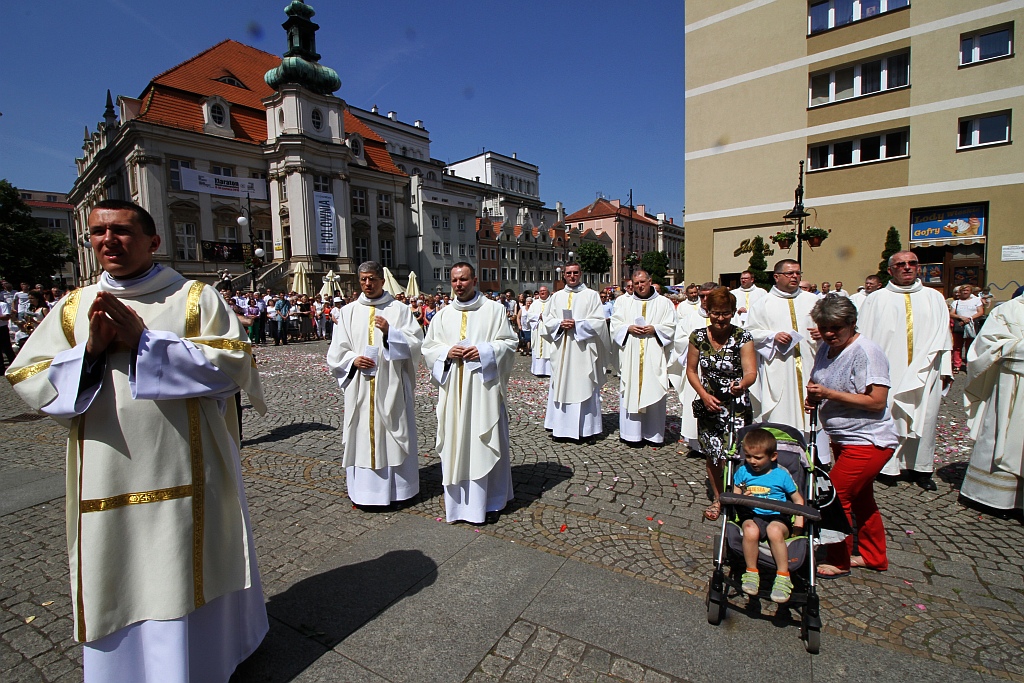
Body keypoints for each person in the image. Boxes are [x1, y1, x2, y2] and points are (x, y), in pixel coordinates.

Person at [4, 200, 267, 682]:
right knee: (116, 563)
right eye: (98, 233)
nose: (109, 241)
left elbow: (233, 369)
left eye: (122, 231)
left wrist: (147, 342)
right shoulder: (72, 308)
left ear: (152, 241)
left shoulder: (193, 297)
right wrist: (92, 351)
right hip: (106, 466)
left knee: (187, 557)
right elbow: (27, 375)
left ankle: (204, 663)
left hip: (187, 464)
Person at [806, 295, 897, 577]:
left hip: (868, 440)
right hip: (844, 438)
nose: (829, 334)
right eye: (824, 328)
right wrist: (814, 396)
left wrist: (829, 395)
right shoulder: (826, 347)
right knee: (861, 500)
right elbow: (819, 380)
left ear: (852, 323)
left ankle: (839, 559)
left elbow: (877, 401)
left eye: (836, 328)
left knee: (835, 496)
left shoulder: (866, 352)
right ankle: (873, 556)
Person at [422, 263, 517, 523]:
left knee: (483, 440)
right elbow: (428, 348)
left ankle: (491, 500)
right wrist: (445, 353)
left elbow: (510, 343)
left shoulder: (494, 311)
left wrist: (485, 352)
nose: (458, 285)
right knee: (456, 442)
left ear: (474, 280)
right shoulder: (442, 316)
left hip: (483, 393)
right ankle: (459, 505)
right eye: (454, 280)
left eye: (463, 280)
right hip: (453, 394)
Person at [327, 261, 423, 507]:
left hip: (390, 386)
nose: (367, 284)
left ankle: (399, 491)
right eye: (363, 280)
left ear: (381, 280)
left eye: (372, 279)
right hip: (360, 386)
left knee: (392, 434)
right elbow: (337, 352)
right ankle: (364, 494)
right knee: (361, 434)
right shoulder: (348, 312)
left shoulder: (399, 310)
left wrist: (391, 333)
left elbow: (416, 344)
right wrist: (352, 360)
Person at [858, 251, 952, 490]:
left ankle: (921, 468)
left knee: (926, 418)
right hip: (888, 370)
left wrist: (945, 370)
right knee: (890, 417)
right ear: (890, 270)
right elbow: (864, 337)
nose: (907, 268)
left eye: (912, 264)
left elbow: (944, 336)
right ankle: (888, 466)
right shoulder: (876, 299)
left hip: (927, 369)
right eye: (901, 264)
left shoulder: (934, 297)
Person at [685, 287, 756, 521]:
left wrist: (742, 384)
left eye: (726, 313)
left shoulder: (743, 337)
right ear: (708, 311)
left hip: (736, 404)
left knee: (737, 454)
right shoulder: (698, 336)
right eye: (716, 313)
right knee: (713, 454)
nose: (720, 318)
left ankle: (739, 497)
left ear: (733, 312)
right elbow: (691, 371)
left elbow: (751, 372)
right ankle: (719, 498)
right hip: (710, 404)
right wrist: (703, 395)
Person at [960, 292, 1024, 512]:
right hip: (1011, 383)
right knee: (1000, 433)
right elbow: (986, 344)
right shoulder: (1006, 310)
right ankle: (994, 497)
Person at [746, 259, 820, 435]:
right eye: (790, 273)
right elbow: (750, 333)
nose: (795, 276)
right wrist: (772, 336)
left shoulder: (813, 300)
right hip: (779, 366)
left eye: (798, 273)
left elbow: (830, 326)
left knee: (813, 415)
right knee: (781, 414)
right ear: (776, 276)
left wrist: (822, 332)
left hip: (810, 363)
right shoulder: (763, 303)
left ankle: (815, 454)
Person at [734, 428, 804, 603]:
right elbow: (734, 496)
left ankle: (782, 576)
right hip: (752, 514)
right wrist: (741, 498)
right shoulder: (743, 471)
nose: (752, 461)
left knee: (774, 531)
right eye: (748, 456)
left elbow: (798, 500)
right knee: (750, 530)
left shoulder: (781, 475)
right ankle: (751, 572)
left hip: (777, 516)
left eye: (758, 458)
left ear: (773, 456)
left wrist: (799, 523)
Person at [542, 263, 610, 440]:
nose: (572, 276)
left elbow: (599, 322)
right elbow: (547, 320)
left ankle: (586, 429)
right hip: (562, 349)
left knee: (584, 383)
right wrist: (559, 324)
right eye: (568, 273)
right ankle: (560, 428)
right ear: (564, 275)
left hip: (583, 349)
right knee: (561, 383)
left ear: (581, 274)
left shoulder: (592, 295)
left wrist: (577, 324)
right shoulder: (556, 297)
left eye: (575, 273)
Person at [611, 270, 677, 445]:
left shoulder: (664, 303)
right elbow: (615, 325)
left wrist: (655, 329)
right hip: (631, 355)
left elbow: (672, 326)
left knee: (653, 388)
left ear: (650, 281)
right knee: (631, 390)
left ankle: (653, 435)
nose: (640, 286)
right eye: (636, 283)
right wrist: (628, 328)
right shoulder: (623, 303)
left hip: (654, 355)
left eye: (643, 282)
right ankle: (631, 435)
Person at [674, 282, 716, 457]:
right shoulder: (690, 318)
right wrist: (697, 345)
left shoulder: (729, 316)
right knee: (696, 402)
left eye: (709, 296)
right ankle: (697, 444)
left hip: (720, 371)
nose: (705, 300)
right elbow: (679, 340)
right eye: (702, 296)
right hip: (696, 368)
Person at [950, 285, 984, 374]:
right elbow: (952, 313)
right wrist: (961, 317)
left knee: (970, 346)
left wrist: (969, 318)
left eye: (967, 290)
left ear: (970, 291)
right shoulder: (956, 302)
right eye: (963, 290)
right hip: (959, 325)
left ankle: (968, 365)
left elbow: (980, 312)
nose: (965, 292)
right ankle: (957, 365)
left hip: (972, 325)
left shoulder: (976, 300)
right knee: (957, 346)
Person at [526, 286, 552, 377]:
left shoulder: (552, 303)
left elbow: (555, 316)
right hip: (537, 330)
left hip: (548, 331)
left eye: (544, 291)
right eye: (541, 291)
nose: (542, 292)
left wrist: (544, 318)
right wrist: (538, 316)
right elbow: (529, 315)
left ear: (547, 292)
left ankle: (548, 371)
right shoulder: (535, 304)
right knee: (537, 348)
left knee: (548, 349)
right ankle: (538, 370)